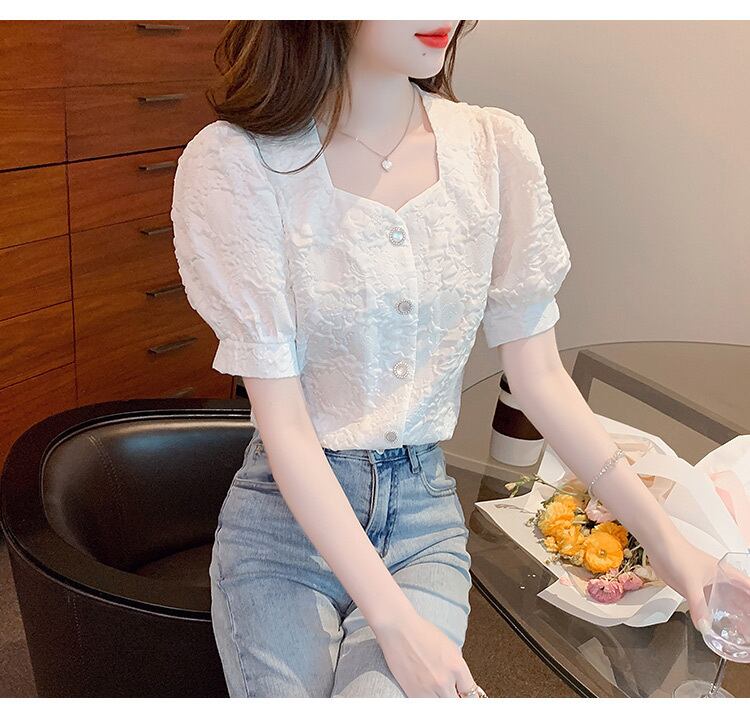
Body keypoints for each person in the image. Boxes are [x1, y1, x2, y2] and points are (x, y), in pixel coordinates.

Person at [169, 20, 719, 698]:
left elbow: (540, 378)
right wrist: (393, 622)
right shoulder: (240, 164)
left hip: (420, 521)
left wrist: (670, 544)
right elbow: (284, 426)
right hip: (286, 523)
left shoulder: (494, 149)